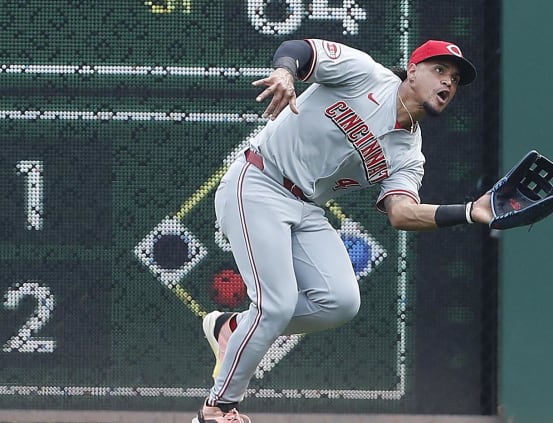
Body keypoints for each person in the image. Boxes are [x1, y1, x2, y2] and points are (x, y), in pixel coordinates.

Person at [192, 38, 494, 423]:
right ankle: (219, 407)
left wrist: (470, 211)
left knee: (339, 302)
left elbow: (402, 214)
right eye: (439, 70)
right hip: (259, 181)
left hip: (307, 208)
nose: (448, 83)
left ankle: (233, 329)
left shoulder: (409, 155)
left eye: (454, 79)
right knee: (277, 302)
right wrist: (285, 71)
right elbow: (299, 49)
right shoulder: (365, 73)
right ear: (412, 69)